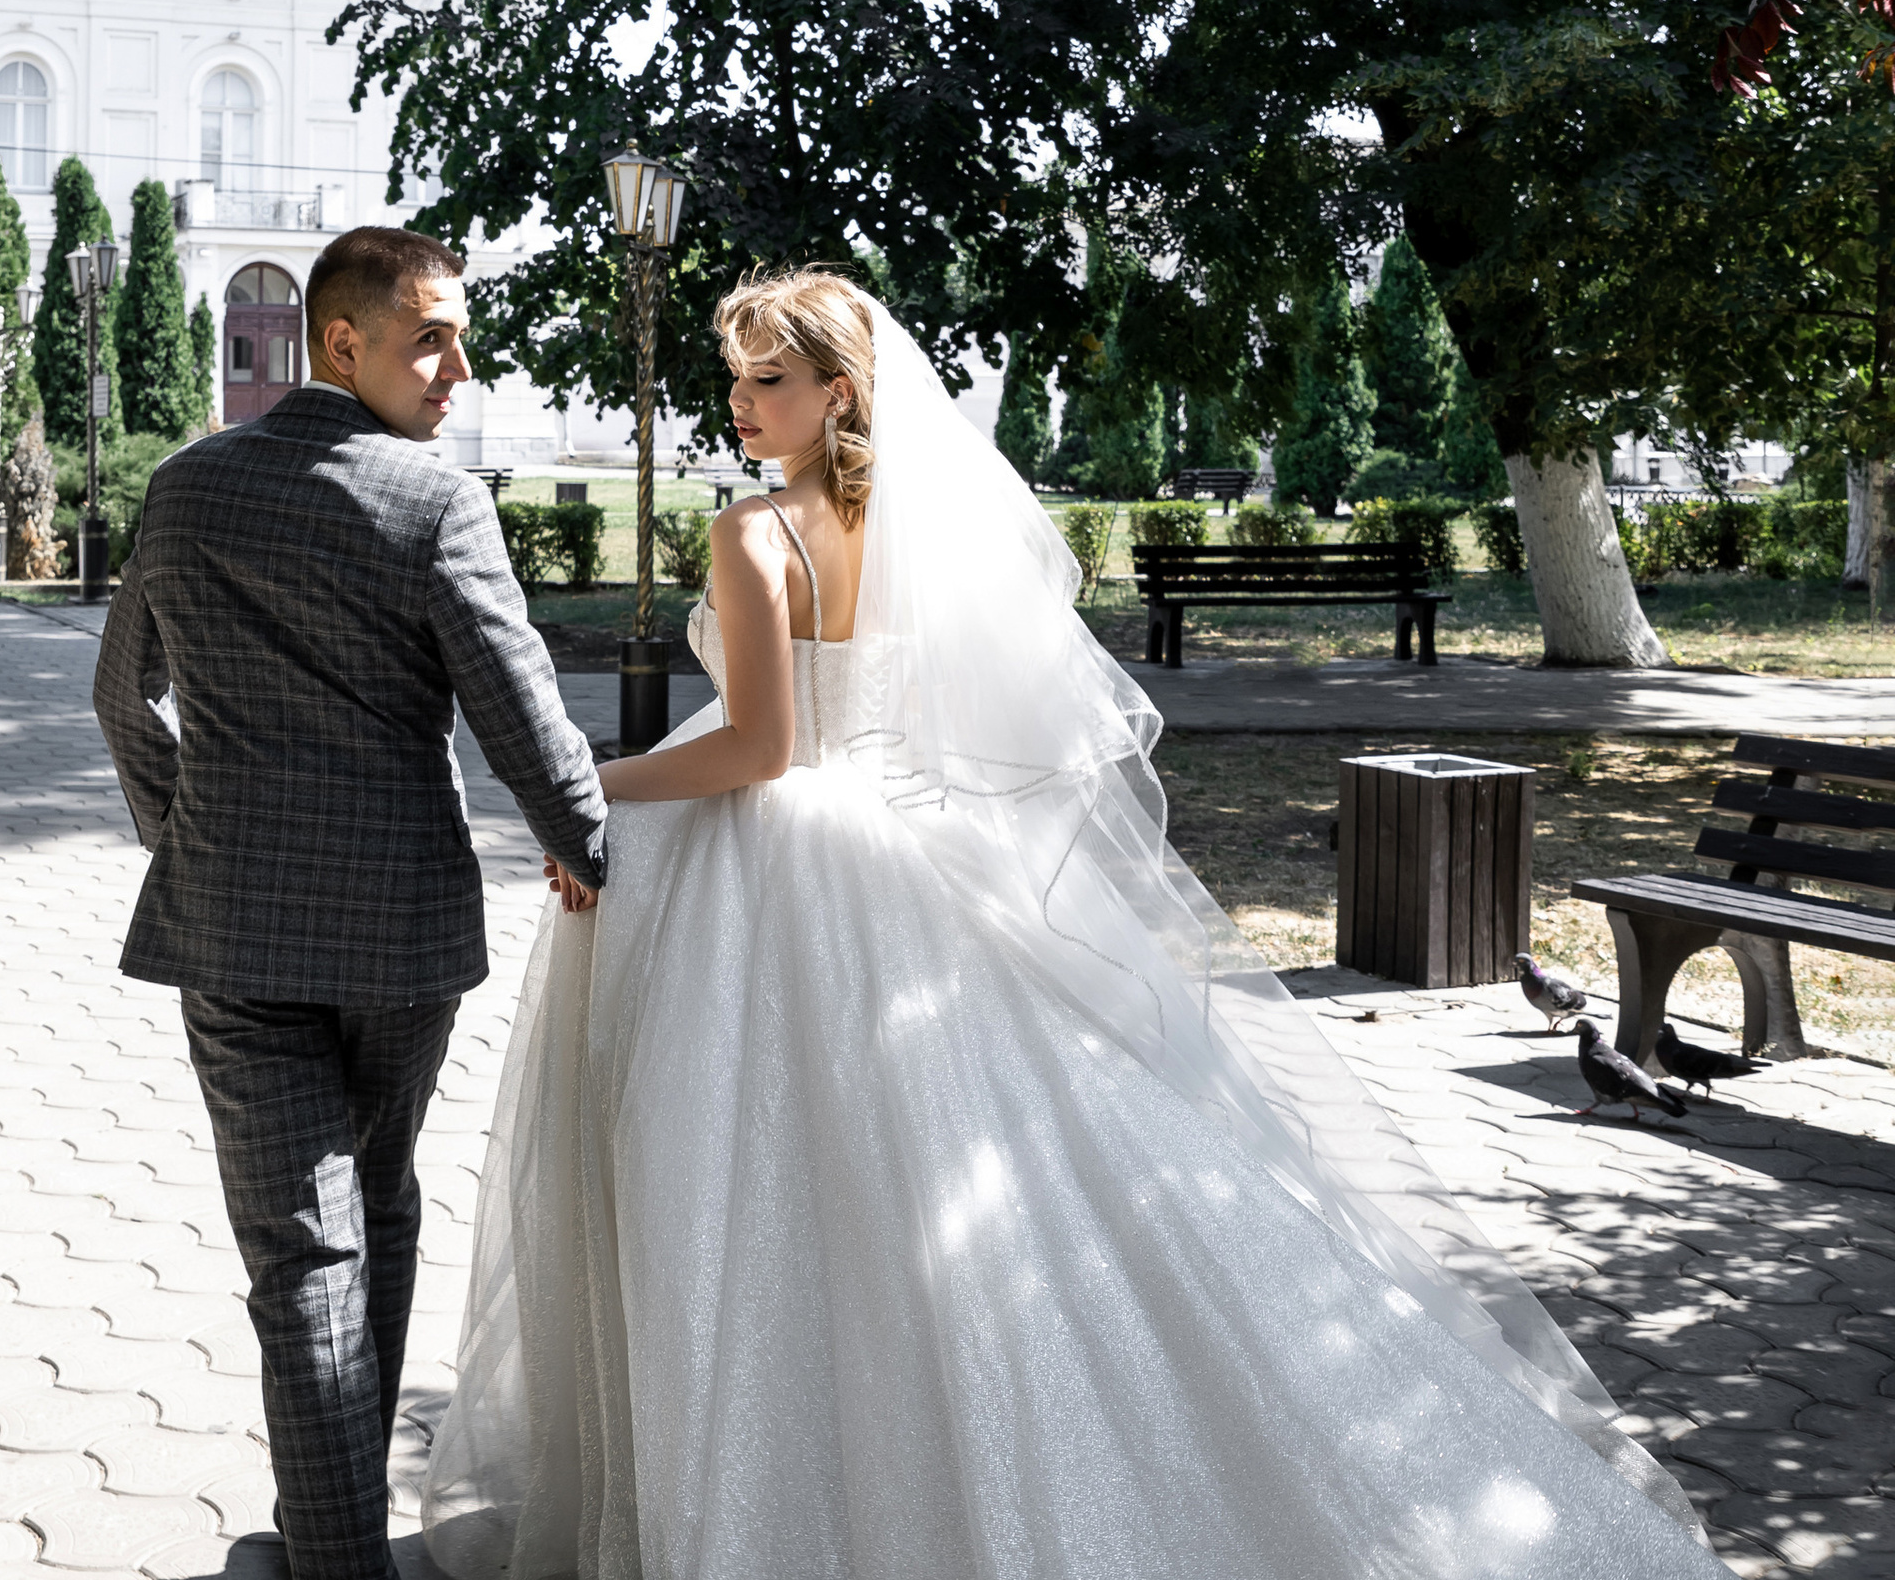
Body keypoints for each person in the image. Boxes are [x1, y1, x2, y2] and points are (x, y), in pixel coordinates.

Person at [426, 266, 1731, 1580]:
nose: (744, 404)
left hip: (779, 864)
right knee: (957, 1159)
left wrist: (585, 783)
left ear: (840, 392)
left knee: (753, 1176)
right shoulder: (920, 529)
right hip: (916, 854)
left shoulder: (756, 535)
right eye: (736, 379)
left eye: (772, 379)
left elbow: (760, 748)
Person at [92, 225, 608, 1580]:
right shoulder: (435, 504)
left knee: (312, 1250)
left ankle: (334, 1549)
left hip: (235, 930)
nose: (459, 367)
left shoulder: (189, 488)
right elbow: (527, 723)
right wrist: (599, 858)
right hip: (400, 941)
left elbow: (119, 695)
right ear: (343, 344)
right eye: (432, 336)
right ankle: (342, 1542)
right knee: (368, 1209)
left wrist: (184, 835)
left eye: (460, 336)